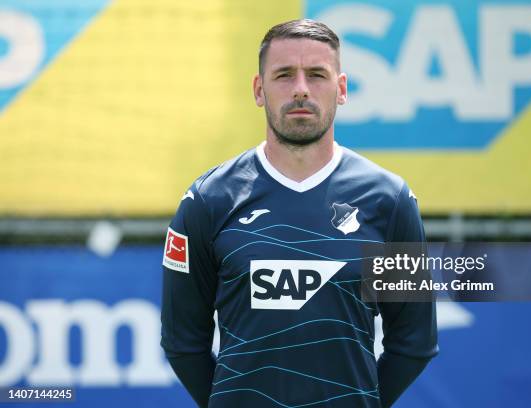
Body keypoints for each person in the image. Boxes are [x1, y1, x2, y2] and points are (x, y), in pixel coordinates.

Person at [161, 19, 438, 408]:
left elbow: (414, 344)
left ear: (341, 90)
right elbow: (182, 343)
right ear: (260, 90)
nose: (301, 89)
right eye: (284, 75)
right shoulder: (208, 200)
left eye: (317, 75)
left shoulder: (389, 201)